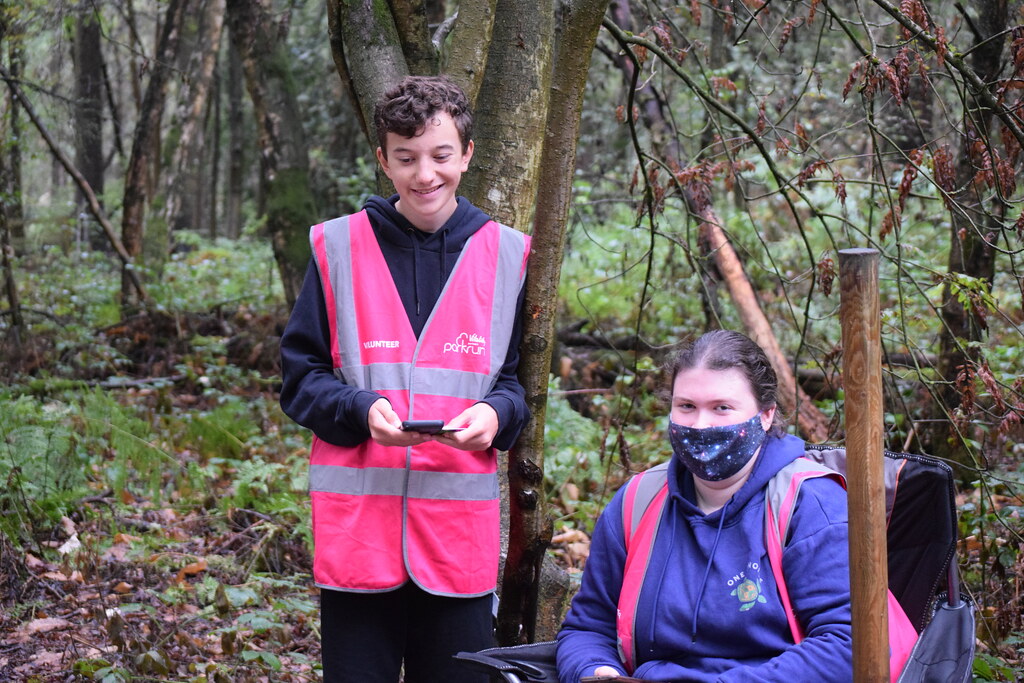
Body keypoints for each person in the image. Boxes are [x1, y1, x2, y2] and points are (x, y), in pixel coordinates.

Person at [279, 75, 531, 683]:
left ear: (467, 155)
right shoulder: (337, 247)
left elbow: (519, 384)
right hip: (358, 540)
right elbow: (299, 379)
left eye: (441, 156)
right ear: (382, 160)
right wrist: (360, 408)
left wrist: (498, 415)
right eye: (407, 157)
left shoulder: (508, 255)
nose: (425, 175)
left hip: (456, 545)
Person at [555, 330, 857, 682]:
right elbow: (589, 627)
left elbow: (846, 645)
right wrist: (595, 671)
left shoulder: (811, 504)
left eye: (722, 408)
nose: (700, 425)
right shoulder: (639, 500)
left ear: (766, 415)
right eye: (686, 406)